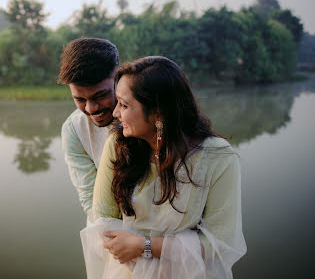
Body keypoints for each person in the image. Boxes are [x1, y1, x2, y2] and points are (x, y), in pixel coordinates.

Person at [80, 56, 246, 279]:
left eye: (125, 105)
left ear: (158, 112)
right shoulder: (118, 145)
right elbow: (103, 223)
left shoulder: (218, 158)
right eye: (117, 102)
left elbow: (220, 244)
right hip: (126, 270)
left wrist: (143, 245)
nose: (116, 113)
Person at [59, 38, 119, 218]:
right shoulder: (74, 130)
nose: (91, 109)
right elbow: (89, 197)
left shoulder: (152, 113)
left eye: (101, 95)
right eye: (80, 100)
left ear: (119, 76)